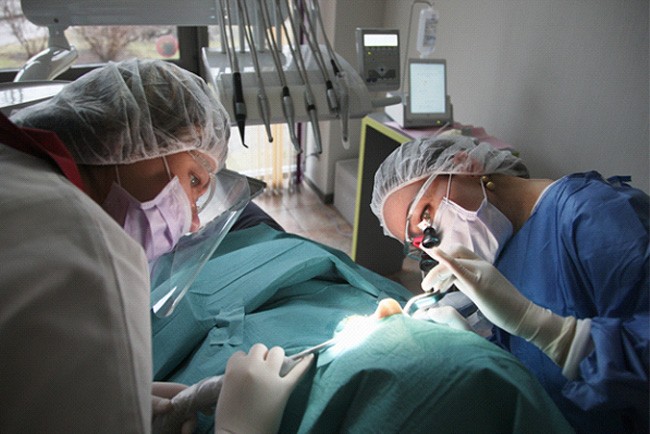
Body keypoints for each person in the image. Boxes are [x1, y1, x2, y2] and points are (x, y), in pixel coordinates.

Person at [0, 58, 311, 433]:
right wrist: (239, 428)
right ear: (127, 140)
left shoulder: (15, 167)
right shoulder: (95, 256)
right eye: (195, 180)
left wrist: (106, 398)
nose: (195, 221)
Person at [370, 135, 649, 433]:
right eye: (418, 243)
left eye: (426, 216)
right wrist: (479, 348)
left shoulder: (593, 213)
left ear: (465, 164)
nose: (432, 244)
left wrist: (558, 336)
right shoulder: (502, 251)